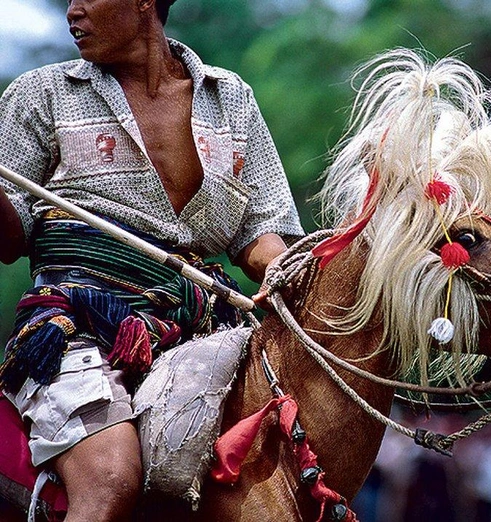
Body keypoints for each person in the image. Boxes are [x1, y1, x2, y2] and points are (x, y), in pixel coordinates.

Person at [0, 0, 303, 520]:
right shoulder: (41, 93)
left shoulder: (230, 98)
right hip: (74, 324)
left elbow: (263, 236)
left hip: (206, 333)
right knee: (111, 480)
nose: (72, 11)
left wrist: (297, 270)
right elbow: (8, 242)